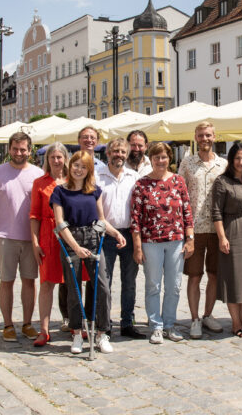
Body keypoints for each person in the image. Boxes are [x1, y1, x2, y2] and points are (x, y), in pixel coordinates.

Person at [51, 151, 126, 355]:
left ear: (89, 170)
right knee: (74, 288)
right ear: (70, 167)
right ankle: (77, 333)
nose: (79, 170)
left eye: (83, 167)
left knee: (102, 287)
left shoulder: (94, 191)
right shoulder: (59, 191)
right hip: (71, 240)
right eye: (76, 165)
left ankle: (102, 333)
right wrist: (76, 247)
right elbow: (60, 223)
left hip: (93, 239)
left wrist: (115, 233)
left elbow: (100, 220)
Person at [0, 132, 44, 342]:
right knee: (6, 280)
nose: (19, 153)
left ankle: (27, 323)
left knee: (29, 281)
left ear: (29, 150)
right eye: (15, 149)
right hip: (6, 235)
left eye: (23, 149)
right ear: (9, 149)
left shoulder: (37, 173)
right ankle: (8, 324)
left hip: (31, 237)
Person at [131, 142, 194, 345]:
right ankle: (156, 326)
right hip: (151, 242)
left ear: (169, 159)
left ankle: (169, 324)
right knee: (153, 285)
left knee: (174, 286)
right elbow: (135, 218)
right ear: (151, 159)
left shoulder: (178, 181)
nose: (160, 161)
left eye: (164, 157)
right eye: (156, 157)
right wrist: (137, 247)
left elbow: (187, 211)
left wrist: (190, 239)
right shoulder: (141, 185)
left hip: (176, 241)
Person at [178, 122, 227, 338]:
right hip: (194, 228)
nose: (204, 139)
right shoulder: (187, 163)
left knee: (214, 274)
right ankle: (195, 318)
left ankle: (208, 314)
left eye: (208, 135)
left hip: (217, 228)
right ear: (196, 137)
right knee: (194, 275)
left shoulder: (223, 164)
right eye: (201, 135)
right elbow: (180, 195)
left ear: (214, 136)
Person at [97, 138, 145, 339]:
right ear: (108, 153)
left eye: (123, 152)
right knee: (104, 282)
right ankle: (105, 324)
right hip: (104, 235)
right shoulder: (97, 176)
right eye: (115, 151)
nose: (119, 155)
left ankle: (127, 323)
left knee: (129, 281)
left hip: (129, 234)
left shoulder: (133, 177)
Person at [212, 142, 242, 337]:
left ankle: (241, 320)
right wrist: (222, 237)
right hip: (231, 231)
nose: (241, 162)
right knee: (234, 279)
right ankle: (235, 323)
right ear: (231, 160)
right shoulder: (222, 181)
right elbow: (216, 212)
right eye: (237, 158)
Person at [29, 142, 69, 346]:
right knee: (47, 283)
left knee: (72, 281)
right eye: (52, 157)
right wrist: (35, 242)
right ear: (47, 160)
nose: (56, 160)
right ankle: (44, 330)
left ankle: (75, 324)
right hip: (48, 234)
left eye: (59, 157)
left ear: (65, 159)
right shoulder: (40, 183)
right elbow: (34, 215)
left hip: (70, 234)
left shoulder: (73, 180)